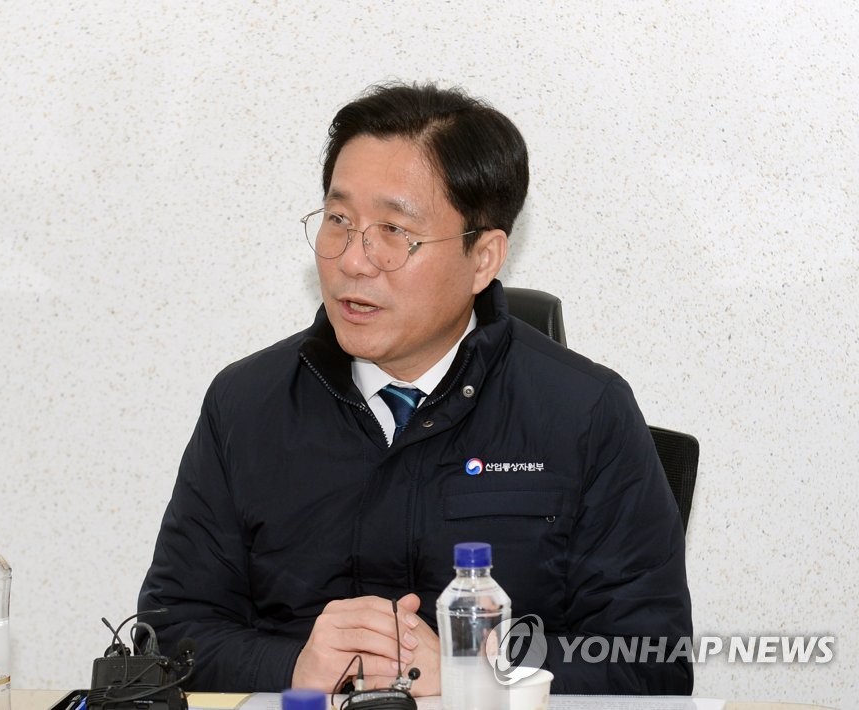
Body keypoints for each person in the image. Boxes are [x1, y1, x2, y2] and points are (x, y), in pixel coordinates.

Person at [139, 82, 692, 695]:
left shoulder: (584, 412)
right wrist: (293, 668)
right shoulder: (246, 405)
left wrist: (477, 674)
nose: (353, 260)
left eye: (396, 231)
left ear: (484, 258)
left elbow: (653, 663)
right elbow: (169, 636)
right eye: (339, 220)